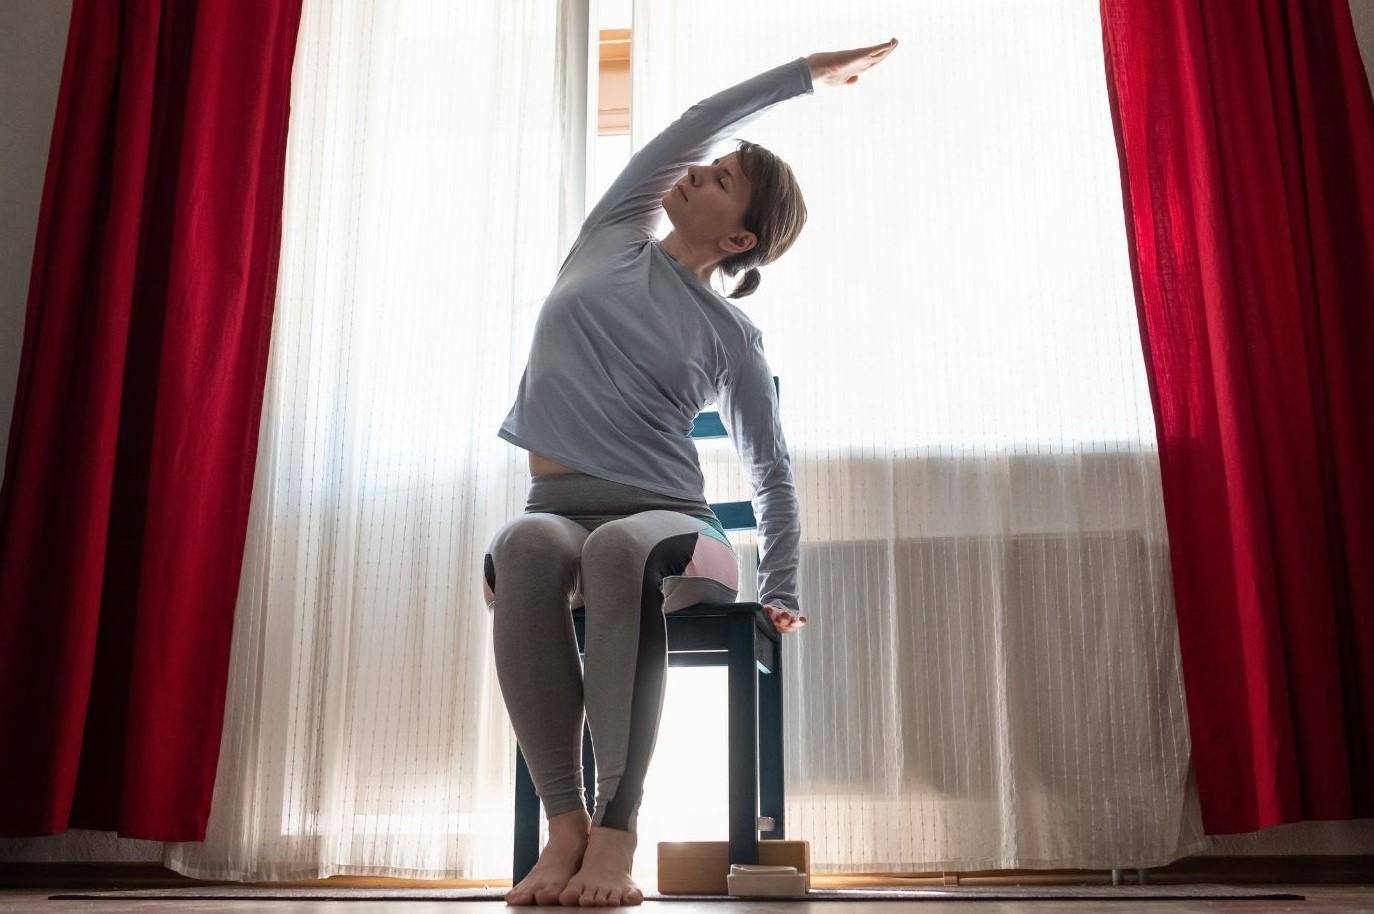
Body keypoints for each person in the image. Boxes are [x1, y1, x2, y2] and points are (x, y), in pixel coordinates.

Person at [483, 38, 899, 908]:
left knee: (617, 552)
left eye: (722, 179)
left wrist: (780, 585)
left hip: (674, 526)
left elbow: (770, 470)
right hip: (556, 507)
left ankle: (617, 833)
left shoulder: (732, 335)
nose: (699, 171)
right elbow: (698, 121)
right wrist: (807, 73)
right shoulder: (612, 235)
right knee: (522, 545)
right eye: (708, 166)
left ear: (739, 237)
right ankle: (565, 827)